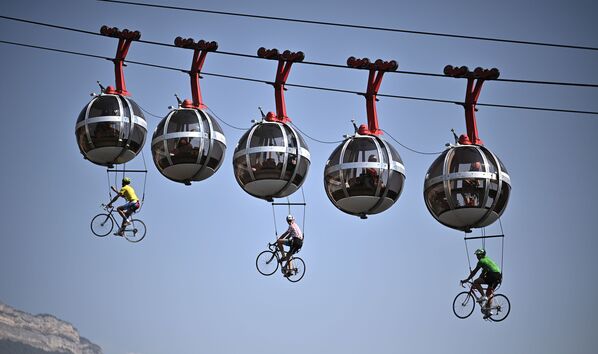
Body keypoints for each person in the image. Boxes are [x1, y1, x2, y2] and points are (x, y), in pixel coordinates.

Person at [461, 249, 502, 319]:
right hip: (498, 276)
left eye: (477, 255)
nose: (477, 256)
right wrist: (480, 277)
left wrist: (466, 280)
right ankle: (488, 312)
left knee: (476, 282)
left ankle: (483, 296)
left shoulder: (481, 261)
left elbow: (474, 272)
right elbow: (483, 273)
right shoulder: (487, 260)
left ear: (481, 255)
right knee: (489, 294)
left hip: (493, 275)